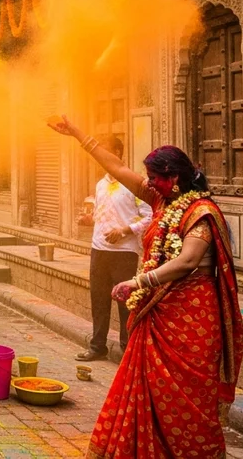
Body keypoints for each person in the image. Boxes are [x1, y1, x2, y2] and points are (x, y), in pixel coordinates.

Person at [48, 116, 243, 458]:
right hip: (159, 311)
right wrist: (78, 131)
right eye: (149, 178)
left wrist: (139, 281)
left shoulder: (201, 211)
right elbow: (118, 167)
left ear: (175, 177)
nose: (150, 184)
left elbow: (187, 261)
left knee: (188, 397)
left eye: (156, 178)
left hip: (192, 320)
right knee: (147, 385)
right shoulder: (160, 200)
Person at [77, 135, 152, 362]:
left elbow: (150, 217)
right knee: (98, 299)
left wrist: (124, 230)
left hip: (124, 252)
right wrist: (90, 220)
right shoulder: (100, 184)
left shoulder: (133, 184)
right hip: (99, 249)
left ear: (118, 154)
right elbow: (102, 212)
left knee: (125, 303)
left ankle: (126, 350)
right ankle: (98, 346)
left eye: (107, 152)